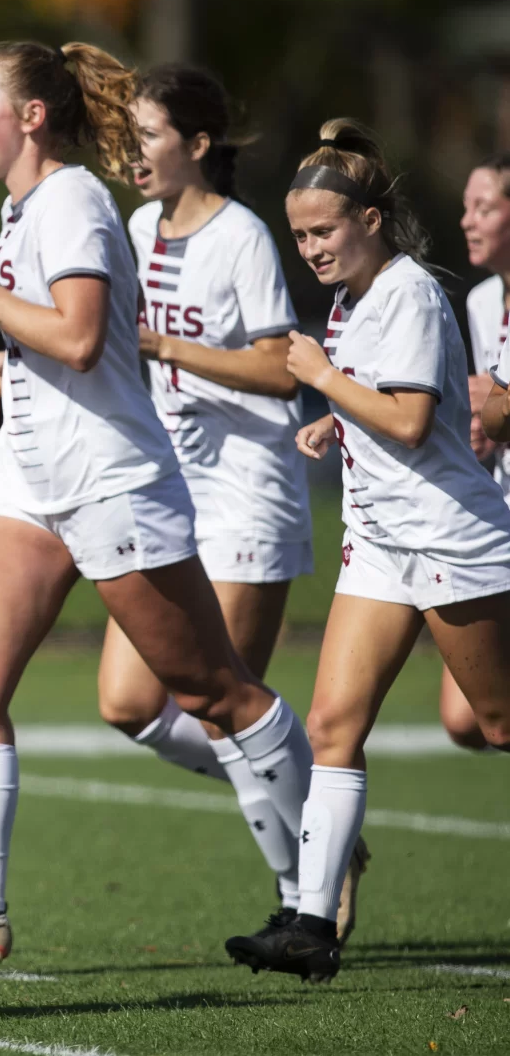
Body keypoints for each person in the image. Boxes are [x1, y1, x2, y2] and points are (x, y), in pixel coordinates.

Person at [0, 42, 314, 968]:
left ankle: (309, 877)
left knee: (212, 692)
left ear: (30, 116)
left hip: (110, 475)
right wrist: (7, 356)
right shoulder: (23, 205)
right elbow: (75, 341)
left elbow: (76, 338)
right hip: (30, 473)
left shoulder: (70, 198)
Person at [225, 121, 510, 983]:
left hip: (448, 541)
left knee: (495, 722)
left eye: (323, 230)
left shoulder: (411, 291)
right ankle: (312, 923)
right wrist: (330, 412)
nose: (310, 247)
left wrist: (317, 378)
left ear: (372, 219)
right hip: (380, 543)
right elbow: (378, 401)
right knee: (330, 727)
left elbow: (414, 421)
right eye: (300, 234)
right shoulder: (353, 299)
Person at [95, 64, 371, 935]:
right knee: (128, 704)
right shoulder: (139, 225)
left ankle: (303, 899)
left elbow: (274, 367)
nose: (134, 152)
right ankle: (325, 818)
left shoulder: (243, 235)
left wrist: (161, 345)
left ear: (198, 145)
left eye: (149, 135)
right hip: (166, 492)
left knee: (224, 707)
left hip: (247, 493)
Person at [449, 154, 510, 748]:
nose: (468, 220)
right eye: (467, 206)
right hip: (501, 513)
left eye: (485, 208)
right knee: (465, 719)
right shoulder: (482, 301)